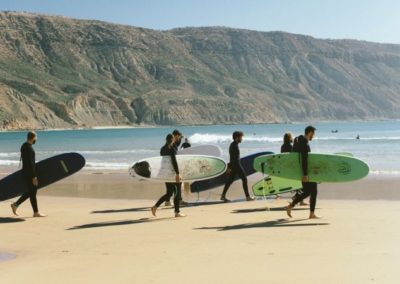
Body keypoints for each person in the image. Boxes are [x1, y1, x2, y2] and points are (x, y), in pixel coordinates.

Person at [286, 126, 320, 219]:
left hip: (299, 171)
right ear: (310, 133)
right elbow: (304, 160)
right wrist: (305, 174)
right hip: (306, 172)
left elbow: (294, 157)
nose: (313, 136)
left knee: (307, 191)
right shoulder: (305, 145)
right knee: (313, 192)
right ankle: (311, 214)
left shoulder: (297, 141)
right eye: (313, 134)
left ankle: (291, 205)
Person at [11, 131, 46, 217]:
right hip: (29, 173)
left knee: (31, 192)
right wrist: (34, 176)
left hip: (26, 172)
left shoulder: (24, 146)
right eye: (36, 138)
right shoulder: (29, 148)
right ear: (33, 138)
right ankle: (36, 212)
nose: (36, 140)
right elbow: (30, 163)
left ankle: (15, 205)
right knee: (32, 192)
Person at [151, 134, 185, 218]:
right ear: (173, 140)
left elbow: (164, 162)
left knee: (169, 193)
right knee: (177, 193)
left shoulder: (162, 149)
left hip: (165, 174)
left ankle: (155, 207)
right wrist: (177, 173)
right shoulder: (172, 149)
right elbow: (174, 161)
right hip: (172, 174)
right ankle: (177, 212)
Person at [221, 131, 255, 202]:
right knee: (244, 179)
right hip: (236, 166)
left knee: (230, 181)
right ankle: (248, 197)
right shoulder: (234, 146)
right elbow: (234, 158)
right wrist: (230, 167)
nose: (241, 139)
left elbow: (232, 158)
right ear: (237, 138)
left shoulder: (233, 144)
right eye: (241, 137)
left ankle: (223, 196)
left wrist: (230, 167)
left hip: (234, 166)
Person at [281, 132, 308, 206]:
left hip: (286, 168)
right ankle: (298, 200)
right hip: (293, 168)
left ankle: (298, 200)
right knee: (302, 185)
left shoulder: (282, 146)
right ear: (290, 138)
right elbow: (294, 157)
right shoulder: (291, 146)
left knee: (299, 186)